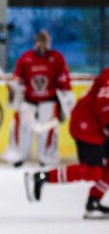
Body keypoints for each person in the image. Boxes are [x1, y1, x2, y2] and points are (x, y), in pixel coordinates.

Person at [24, 66, 109, 219]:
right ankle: (42, 177)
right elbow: (103, 103)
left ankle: (93, 203)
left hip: (99, 125)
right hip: (87, 123)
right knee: (93, 171)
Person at [4, 29, 74, 168]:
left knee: (47, 130)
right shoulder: (25, 58)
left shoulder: (57, 58)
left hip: (49, 101)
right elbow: (18, 77)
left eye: (44, 41)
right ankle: (18, 156)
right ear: (35, 42)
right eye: (39, 41)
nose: (42, 44)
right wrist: (15, 88)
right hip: (28, 101)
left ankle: (47, 157)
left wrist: (66, 100)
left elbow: (64, 79)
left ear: (49, 43)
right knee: (23, 129)